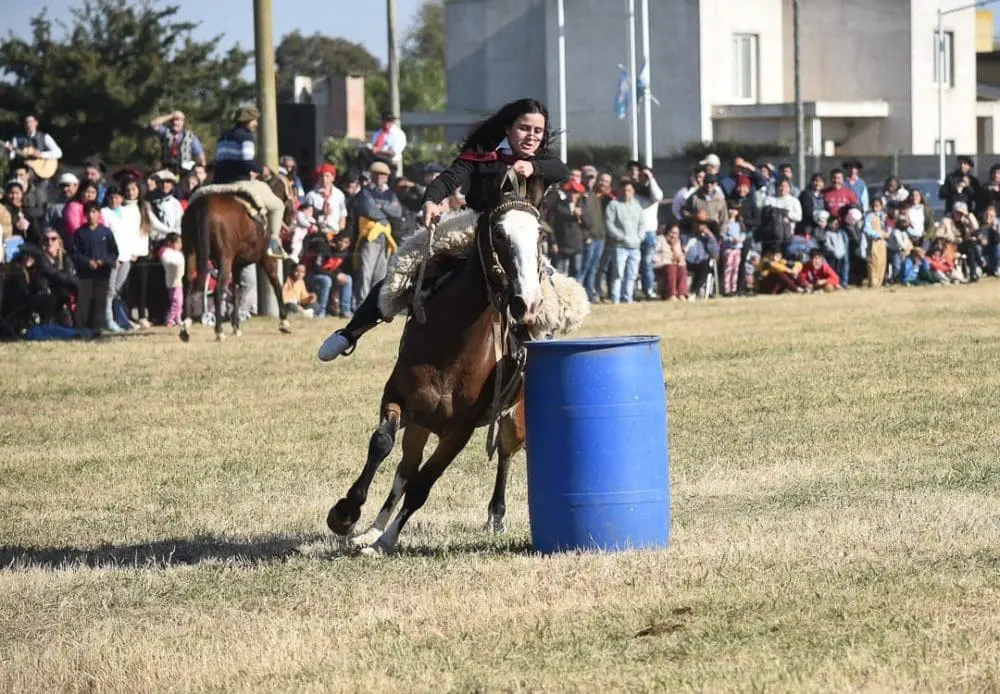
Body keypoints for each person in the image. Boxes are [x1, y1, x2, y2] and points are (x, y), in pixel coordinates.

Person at [318, 97, 569, 362]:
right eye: (525, 128)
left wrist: (533, 167)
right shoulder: (484, 151)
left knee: (550, 289)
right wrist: (430, 201)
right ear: (508, 128)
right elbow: (448, 179)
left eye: (537, 131)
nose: (531, 136)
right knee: (406, 265)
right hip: (474, 226)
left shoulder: (542, 159)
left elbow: (561, 170)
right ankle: (351, 332)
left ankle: (541, 353)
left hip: (518, 236)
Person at [212, 106, 287, 259]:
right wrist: (262, 169)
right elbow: (247, 162)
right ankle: (274, 244)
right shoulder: (246, 137)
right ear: (247, 121)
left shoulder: (224, 135)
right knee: (278, 205)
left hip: (218, 182)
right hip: (239, 181)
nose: (256, 124)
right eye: (254, 121)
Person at [160, 232, 185, 327]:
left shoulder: (178, 253)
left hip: (179, 280)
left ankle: (178, 318)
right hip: (173, 281)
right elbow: (168, 261)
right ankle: (170, 319)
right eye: (177, 243)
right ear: (170, 243)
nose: (180, 245)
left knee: (179, 302)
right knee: (176, 301)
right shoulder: (166, 253)